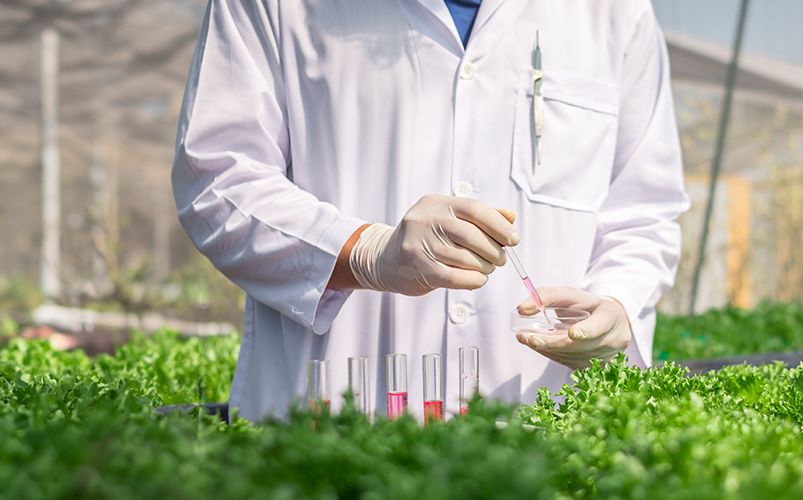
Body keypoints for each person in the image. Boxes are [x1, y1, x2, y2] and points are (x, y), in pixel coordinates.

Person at [171, 0, 689, 423]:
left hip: (542, 429)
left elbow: (644, 212)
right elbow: (217, 178)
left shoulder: (616, 13)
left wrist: (619, 303)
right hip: (326, 428)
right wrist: (363, 251)